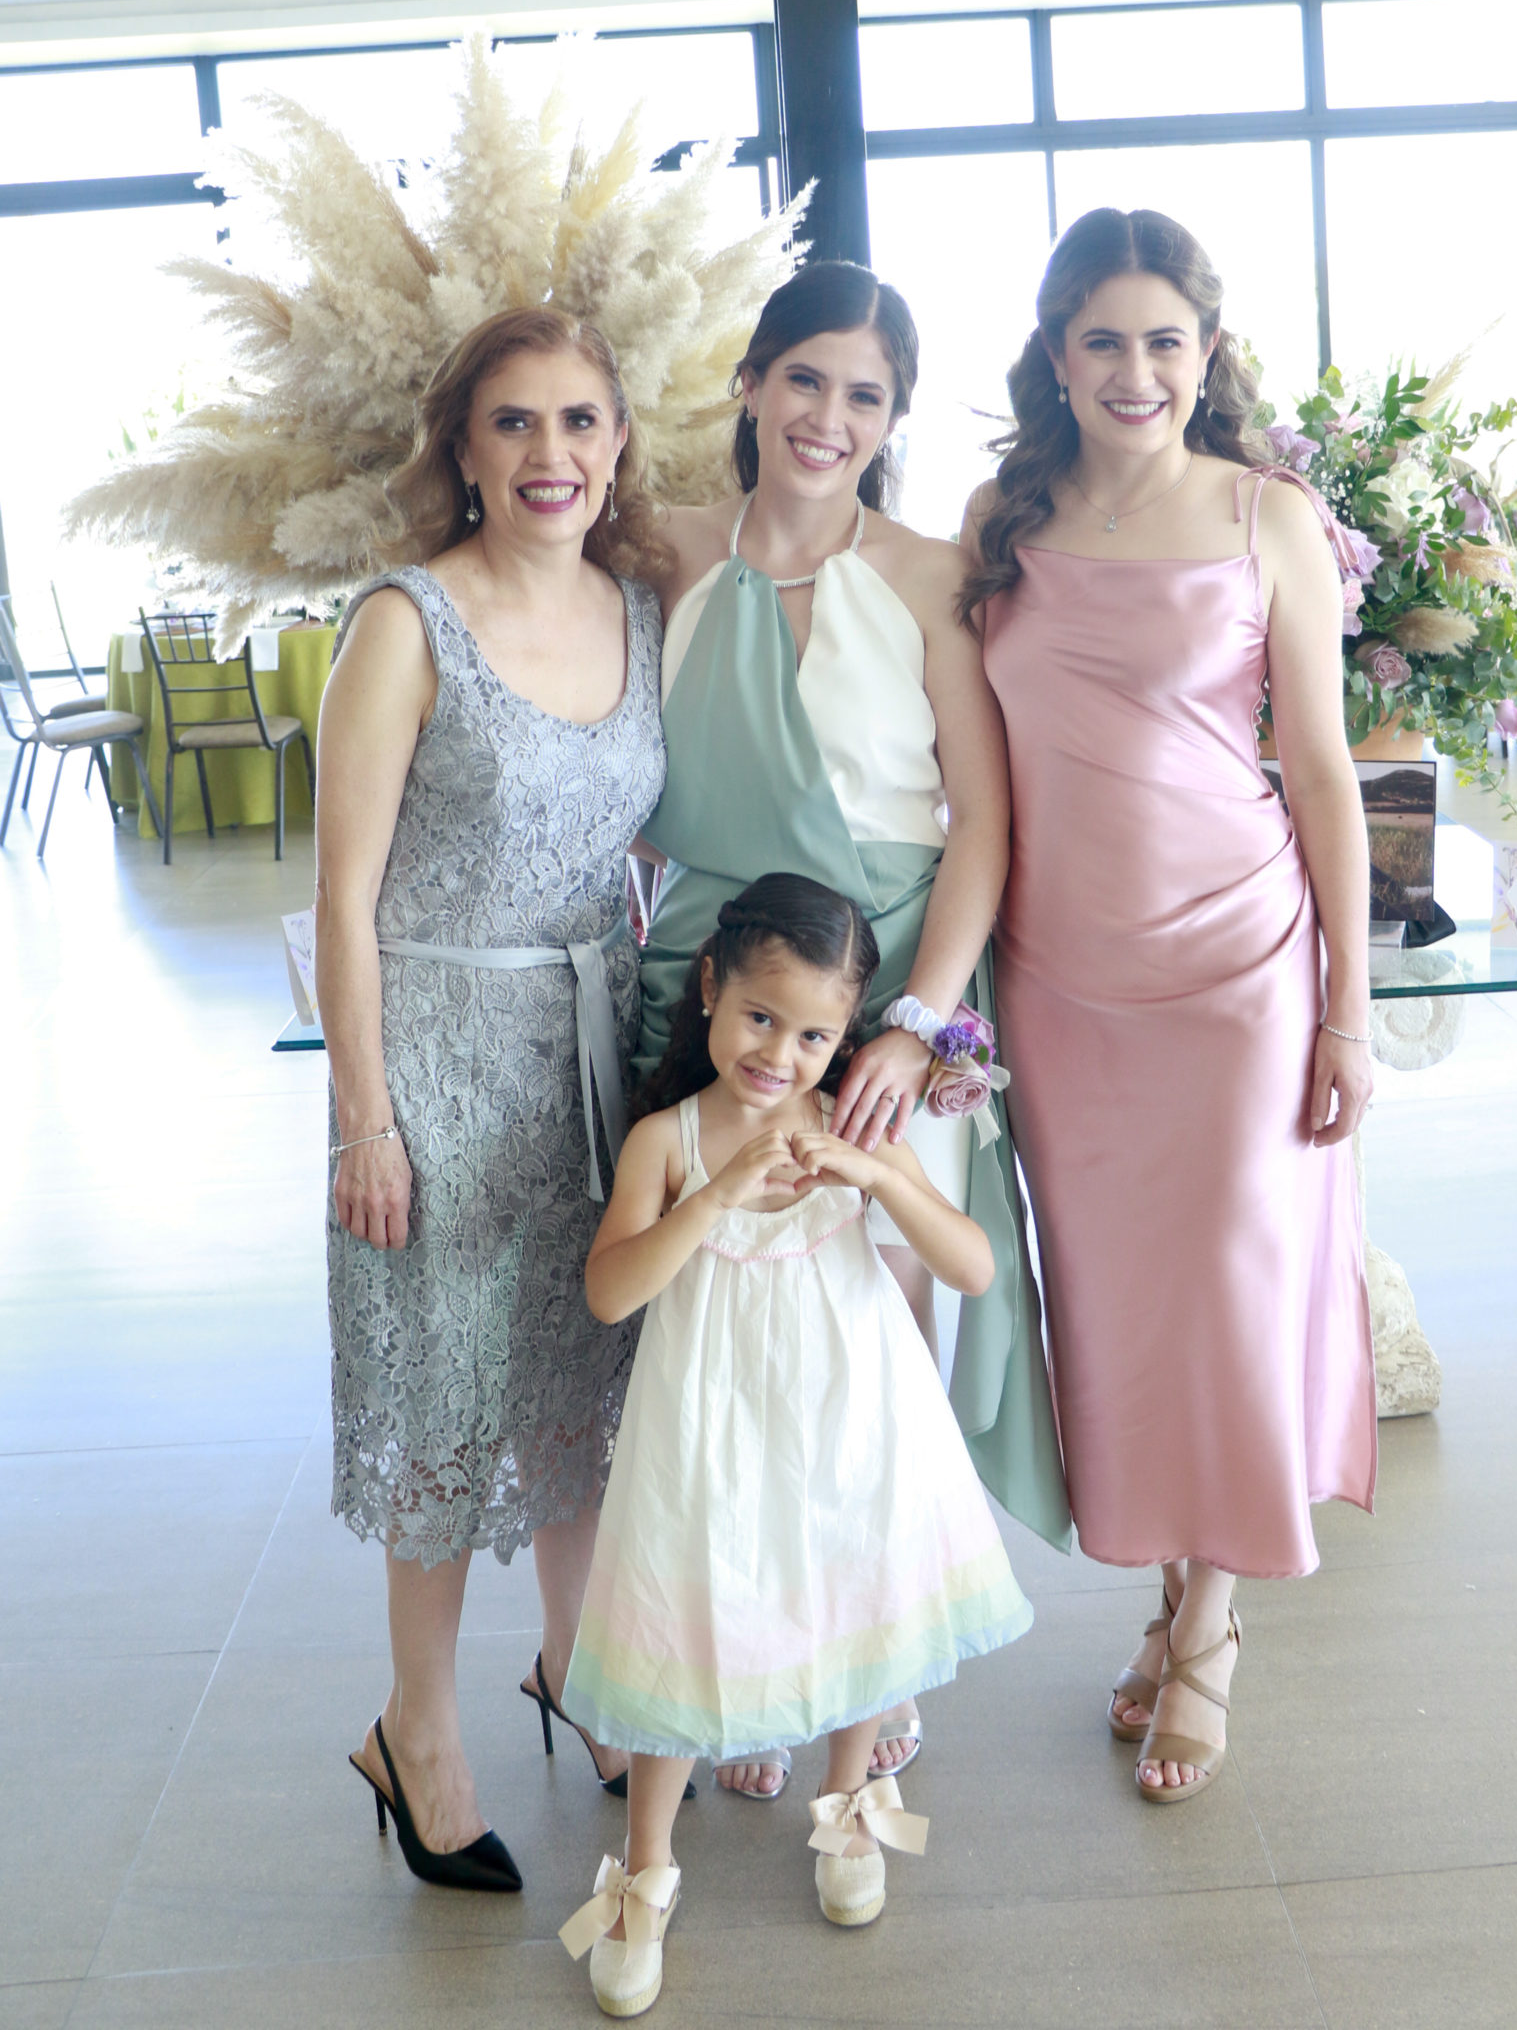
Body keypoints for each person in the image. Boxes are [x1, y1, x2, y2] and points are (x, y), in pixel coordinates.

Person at [961, 206, 1378, 1806]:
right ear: (1053, 354)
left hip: (1239, 970)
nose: (1132, 370)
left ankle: (1206, 1625)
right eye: (1100, 340)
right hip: (1060, 983)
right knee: (1119, 1311)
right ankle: (1162, 1592)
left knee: (1228, 1292)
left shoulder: (1267, 513)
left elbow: (1320, 770)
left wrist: (1343, 1005)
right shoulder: (1000, 513)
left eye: (1162, 341)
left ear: (1202, 353)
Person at [640, 258, 1068, 1798]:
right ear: (750, 382)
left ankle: (867, 1669)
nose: (829, 417)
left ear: (890, 420)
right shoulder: (660, 552)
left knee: (870, 1336)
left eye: (865, 395)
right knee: (727, 1345)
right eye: (804, 378)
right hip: (709, 989)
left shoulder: (925, 573)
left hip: (888, 995)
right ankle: (749, 1654)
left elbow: (981, 828)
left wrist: (915, 1025)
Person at [317, 306, 667, 1890]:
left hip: (589, 1055)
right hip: (442, 1062)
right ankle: (417, 1728)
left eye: (580, 422)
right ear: (460, 446)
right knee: (444, 1404)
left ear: (617, 443)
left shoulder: (640, 609)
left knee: (581, 1390)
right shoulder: (404, 621)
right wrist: (364, 1120)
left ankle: (580, 1668)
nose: (551, 455)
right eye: (514, 423)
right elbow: (342, 897)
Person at [556, 874, 1033, 2020]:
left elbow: (970, 1266)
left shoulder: (851, 1125)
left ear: (847, 1035)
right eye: (762, 1017)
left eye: (815, 1032)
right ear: (712, 989)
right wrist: (715, 1193)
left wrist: (876, 1174)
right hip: (707, 1431)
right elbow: (611, 1293)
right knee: (682, 1620)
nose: (781, 1053)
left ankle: (849, 1802)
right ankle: (647, 1869)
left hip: (850, 1414)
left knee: (855, 1585)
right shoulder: (668, 1140)